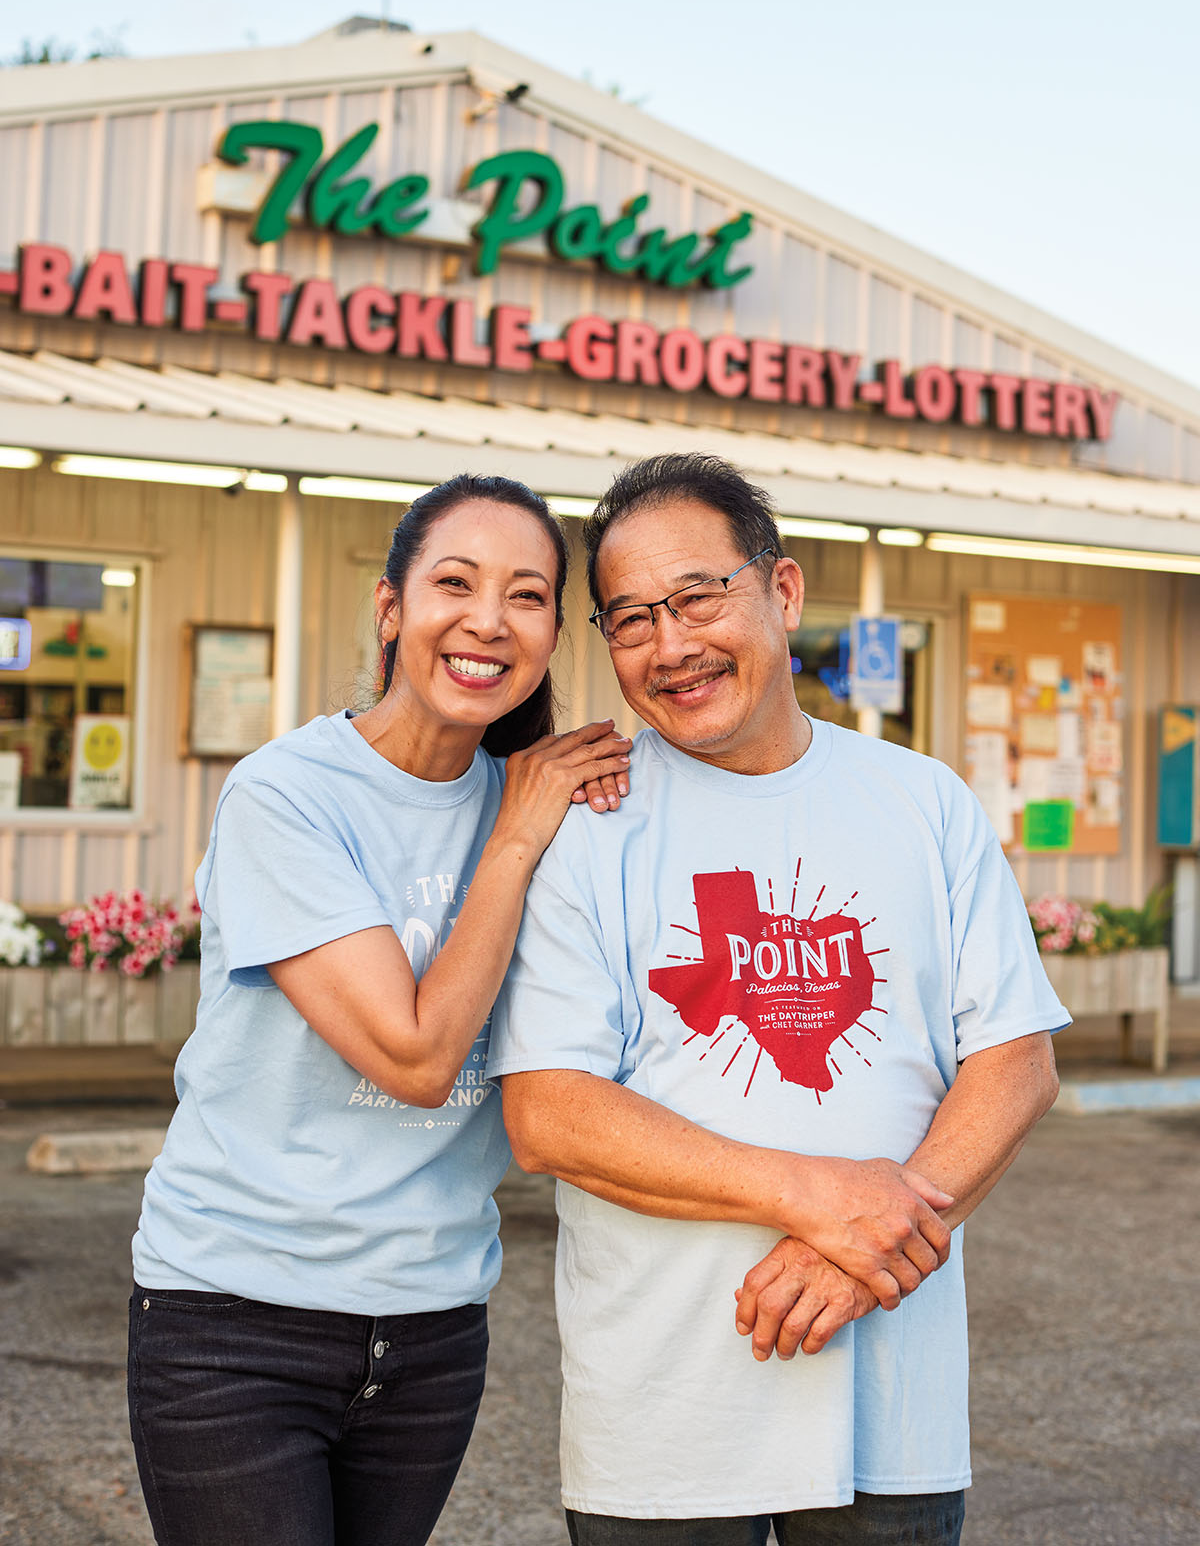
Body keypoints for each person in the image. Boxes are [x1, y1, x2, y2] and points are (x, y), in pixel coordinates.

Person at [488, 453, 1070, 1546]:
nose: (672, 643)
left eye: (700, 596)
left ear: (784, 591)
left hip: (890, 1411)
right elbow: (550, 1111)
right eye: (630, 618)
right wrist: (817, 1197)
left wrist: (860, 1243)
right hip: (662, 1420)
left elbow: (1015, 1059)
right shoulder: (588, 819)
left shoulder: (922, 800)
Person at [127, 472, 633, 1546]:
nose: (488, 619)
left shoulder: (538, 802)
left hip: (432, 1326)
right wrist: (515, 838)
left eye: (529, 594)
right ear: (391, 605)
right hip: (234, 1319)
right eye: (455, 581)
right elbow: (416, 1055)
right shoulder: (288, 794)